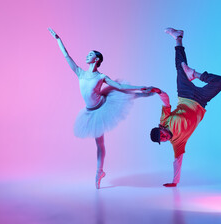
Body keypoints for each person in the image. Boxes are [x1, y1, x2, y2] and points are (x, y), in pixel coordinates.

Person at [48, 28, 152, 189]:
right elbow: (67, 56)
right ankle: (101, 172)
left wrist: (140, 86)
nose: (87, 56)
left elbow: (119, 86)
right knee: (99, 144)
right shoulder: (80, 73)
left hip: (102, 106)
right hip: (90, 113)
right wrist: (58, 39)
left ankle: (143, 93)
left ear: (96, 59)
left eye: (90, 54)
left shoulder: (101, 77)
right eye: (87, 54)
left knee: (121, 95)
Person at [148, 28, 221, 187]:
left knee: (180, 69)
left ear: (160, 129)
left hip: (185, 94)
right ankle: (195, 74)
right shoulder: (177, 143)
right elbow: (177, 161)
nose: (164, 138)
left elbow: (166, 101)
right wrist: (174, 182)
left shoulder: (164, 121)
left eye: (161, 135)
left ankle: (178, 38)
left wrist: (158, 91)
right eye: (162, 140)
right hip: (201, 101)